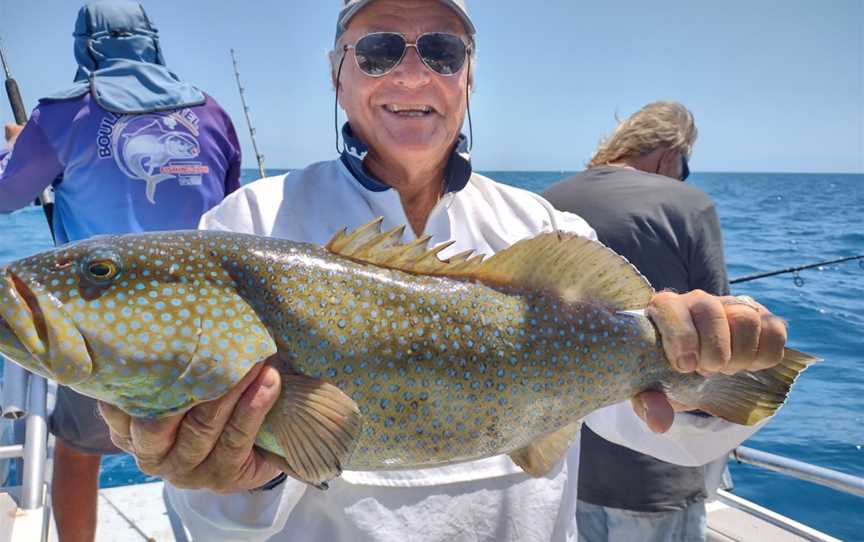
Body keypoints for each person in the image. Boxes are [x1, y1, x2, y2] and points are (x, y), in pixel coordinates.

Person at [97, 1, 789, 541]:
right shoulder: (248, 225)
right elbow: (213, 521)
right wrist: (231, 482)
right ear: (337, 76)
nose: (410, 73)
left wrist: (707, 370)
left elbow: (646, 424)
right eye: (375, 52)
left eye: (440, 50)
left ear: (468, 75)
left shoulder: (544, 230)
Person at [0, 2, 242, 541]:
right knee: (204, 450)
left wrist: (19, 148)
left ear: (85, 47)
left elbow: (5, 192)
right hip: (203, 329)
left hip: (103, 325)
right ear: (151, 41)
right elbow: (233, 215)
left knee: (82, 449)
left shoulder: (61, 115)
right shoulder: (213, 113)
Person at [543, 101, 729, 541]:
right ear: (669, 155)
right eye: (683, 167)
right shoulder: (690, 206)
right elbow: (719, 340)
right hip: (656, 471)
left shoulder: (546, 202)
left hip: (563, 463)